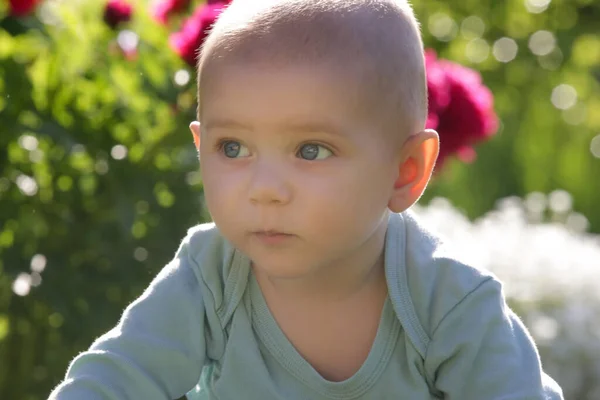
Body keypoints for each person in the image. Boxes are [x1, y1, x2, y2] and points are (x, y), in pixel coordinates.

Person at [49, 0, 564, 399]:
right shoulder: (210, 279)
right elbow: (113, 380)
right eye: (233, 148)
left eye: (311, 150)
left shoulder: (446, 302)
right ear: (199, 146)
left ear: (404, 171)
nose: (265, 188)